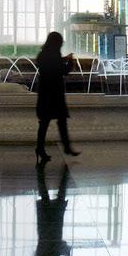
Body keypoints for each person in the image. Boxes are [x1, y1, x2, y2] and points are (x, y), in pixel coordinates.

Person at [33, 30, 77, 159]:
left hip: (45, 94)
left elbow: (50, 66)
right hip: (55, 94)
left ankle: (41, 148)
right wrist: (70, 62)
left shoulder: (43, 55)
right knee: (61, 121)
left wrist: (64, 59)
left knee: (44, 123)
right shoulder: (54, 55)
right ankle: (66, 148)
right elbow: (63, 71)